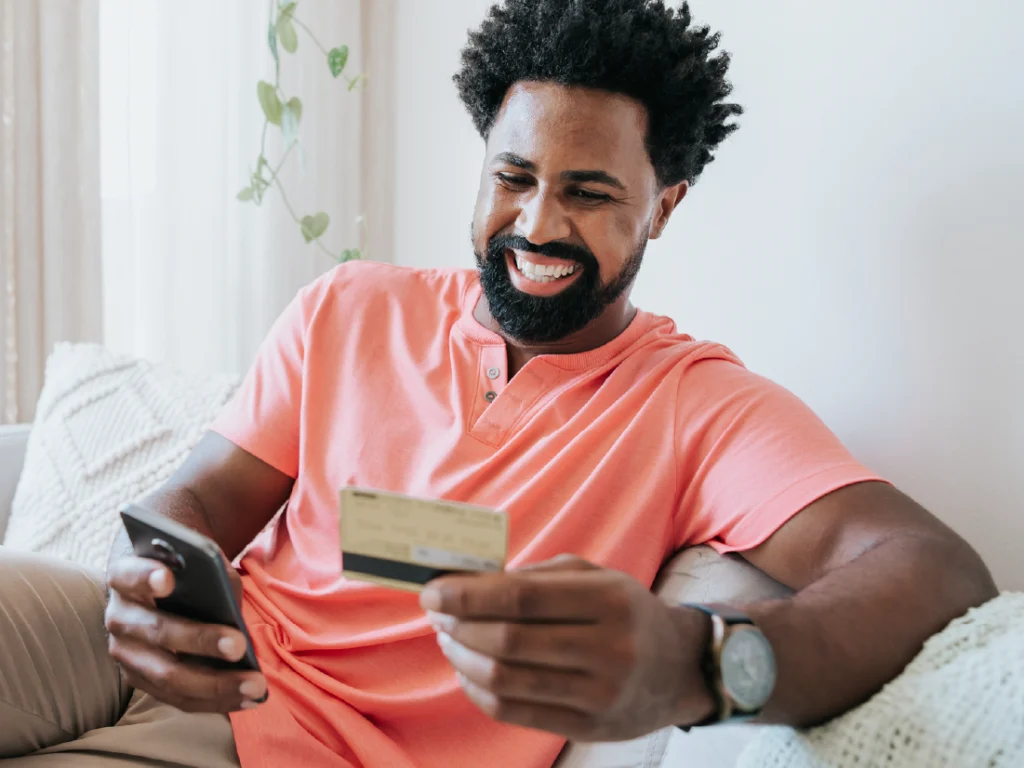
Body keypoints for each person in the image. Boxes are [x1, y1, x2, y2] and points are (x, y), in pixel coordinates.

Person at [0, 1, 997, 766]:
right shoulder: (349, 306)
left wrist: (700, 665)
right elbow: (204, 496)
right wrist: (151, 582)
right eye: (513, 177)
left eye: (590, 192)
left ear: (663, 207)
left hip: (277, 731)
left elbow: (930, 566)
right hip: (141, 646)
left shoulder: (698, 406)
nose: (535, 224)